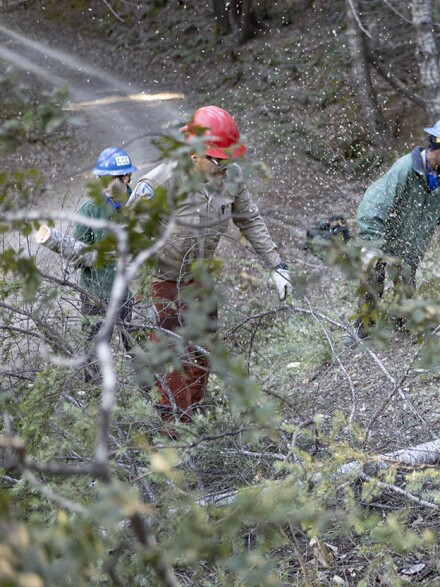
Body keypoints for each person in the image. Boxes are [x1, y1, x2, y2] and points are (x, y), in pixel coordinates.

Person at [128, 105, 292, 425]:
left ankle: (196, 423)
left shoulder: (230, 177)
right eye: (217, 159)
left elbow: (250, 220)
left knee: (201, 358)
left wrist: (276, 265)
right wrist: (136, 291)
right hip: (163, 281)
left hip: (200, 280)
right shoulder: (161, 181)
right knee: (171, 365)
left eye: (229, 158)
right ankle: (176, 438)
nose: (224, 167)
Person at [354, 115, 440, 337]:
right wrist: (370, 240)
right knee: (373, 283)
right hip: (383, 237)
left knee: (405, 286)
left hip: (409, 245)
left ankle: (402, 325)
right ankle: (365, 331)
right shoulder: (405, 168)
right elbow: (373, 202)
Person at [74, 147, 138, 382]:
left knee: (138, 348)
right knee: (93, 351)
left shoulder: (140, 202)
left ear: (126, 178)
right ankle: (92, 400)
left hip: (128, 293)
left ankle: (153, 397)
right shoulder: (90, 209)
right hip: (95, 293)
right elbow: (75, 251)